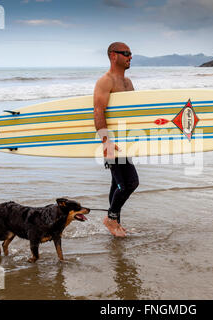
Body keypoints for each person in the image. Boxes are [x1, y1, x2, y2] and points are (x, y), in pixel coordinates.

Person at [93, 42, 139, 237]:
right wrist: (106, 142)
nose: (130, 57)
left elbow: (132, 113)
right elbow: (98, 110)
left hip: (125, 142)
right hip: (111, 141)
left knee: (119, 184)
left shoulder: (128, 83)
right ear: (113, 55)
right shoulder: (106, 81)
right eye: (126, 53)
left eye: (130, 53)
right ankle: (111, 219)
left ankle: (115, 221)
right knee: (128, 183)